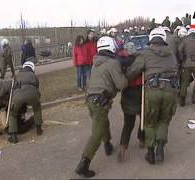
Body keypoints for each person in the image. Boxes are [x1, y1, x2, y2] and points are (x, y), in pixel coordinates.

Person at [75, 36, 128, 178]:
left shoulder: (95, 63)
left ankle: (108, 144)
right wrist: (124, 72)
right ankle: (84, 163)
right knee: (97, 132)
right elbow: (121, 84)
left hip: (90, 99)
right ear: (111, 47)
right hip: (100, 101)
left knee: (103, 122)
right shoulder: (112, 63)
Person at [126, 27, 179, 164]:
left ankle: (150, 152)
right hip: (170, 90)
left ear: (151, 39)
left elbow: (134, 71)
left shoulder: (145, 53)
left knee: (150, 121)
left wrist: (125, 79)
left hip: (153, 90)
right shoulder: (171, 53)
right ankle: (160, 147)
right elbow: (176, 69)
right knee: (164, 120)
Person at [117, 41, 145, 163]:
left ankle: (123, 145)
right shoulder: (140, 62)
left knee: (128, 123)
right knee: (144, 119)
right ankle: (142, 139)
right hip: (139, 93)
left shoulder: (120, 63)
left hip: (127, 95)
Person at [7, 61, 43, 143]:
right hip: (32, 93)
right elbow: (37, 87)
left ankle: (13, 136)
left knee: (13, 113)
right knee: (37, 108)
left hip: (18, 95)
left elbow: (12, 88)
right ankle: (39, 129)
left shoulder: (17, 75)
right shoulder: (33, 75)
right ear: (32, 68)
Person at [178, 28, 195, 106]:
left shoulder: (184, 41)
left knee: (184, 82)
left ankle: (182, 100)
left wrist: (182, 59)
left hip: (186, 64)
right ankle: (194, 97)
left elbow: (180, 50)